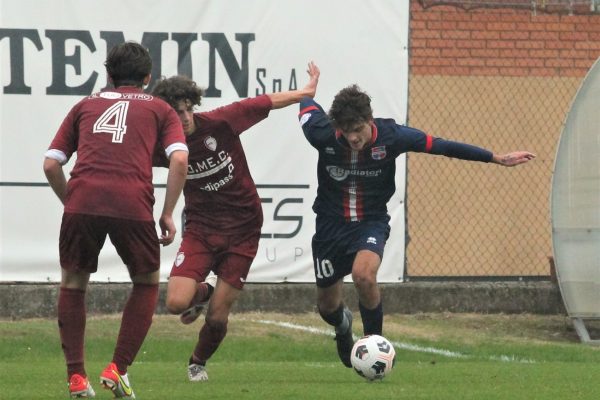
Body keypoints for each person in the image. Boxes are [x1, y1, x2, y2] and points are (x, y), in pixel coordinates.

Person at [297, 84, 536, 368]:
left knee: (364, 275)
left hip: (370, 222)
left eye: (357, 128)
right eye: (345, 130)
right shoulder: (323, 134)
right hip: (330, 227)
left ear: (369, 120)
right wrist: (309, 90)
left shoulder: (392, 136)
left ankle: (376, 349)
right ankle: (342, 325)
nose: (352, 137)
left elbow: (442, 146)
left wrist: (494, 157)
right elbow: (305, 104)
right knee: (327, 306)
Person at [150, 61, 320, 382]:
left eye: (187, 110)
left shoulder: (220, 122)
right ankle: (202, 293)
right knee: (175, 303)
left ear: (194, 107)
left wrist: (305, 92)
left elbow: (264, 102)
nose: (184, 118)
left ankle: (197, 362)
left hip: (243, 228)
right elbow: (130, 153)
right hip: (201, 229)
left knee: (217, 317)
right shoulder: (166, 147)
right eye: (176, 113)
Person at [43, 41, 188, 398]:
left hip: (83, 201)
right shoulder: (160, 108)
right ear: (148, 77)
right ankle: (117, 369)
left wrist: (72, 200)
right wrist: (168, 211)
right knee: (146, 282)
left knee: (73, 283)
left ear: (108, 75)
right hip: (132, 203)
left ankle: (76, 377)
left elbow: (51, 164)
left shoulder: (86, 104)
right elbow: (180, 161)